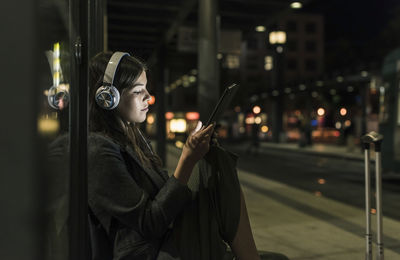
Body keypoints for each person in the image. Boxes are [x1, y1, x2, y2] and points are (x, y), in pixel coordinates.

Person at [88, 51, 263, 260]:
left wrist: (194, 156)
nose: (148, 97)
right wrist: (187, 160)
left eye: (146, 89)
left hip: (166, 239)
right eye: (138, 91)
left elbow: (165, 194)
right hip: (149, 253)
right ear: (108, 97)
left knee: (213, 160)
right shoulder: (99, 150)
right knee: (213, 163)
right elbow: (150, 223)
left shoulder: (133, 137)